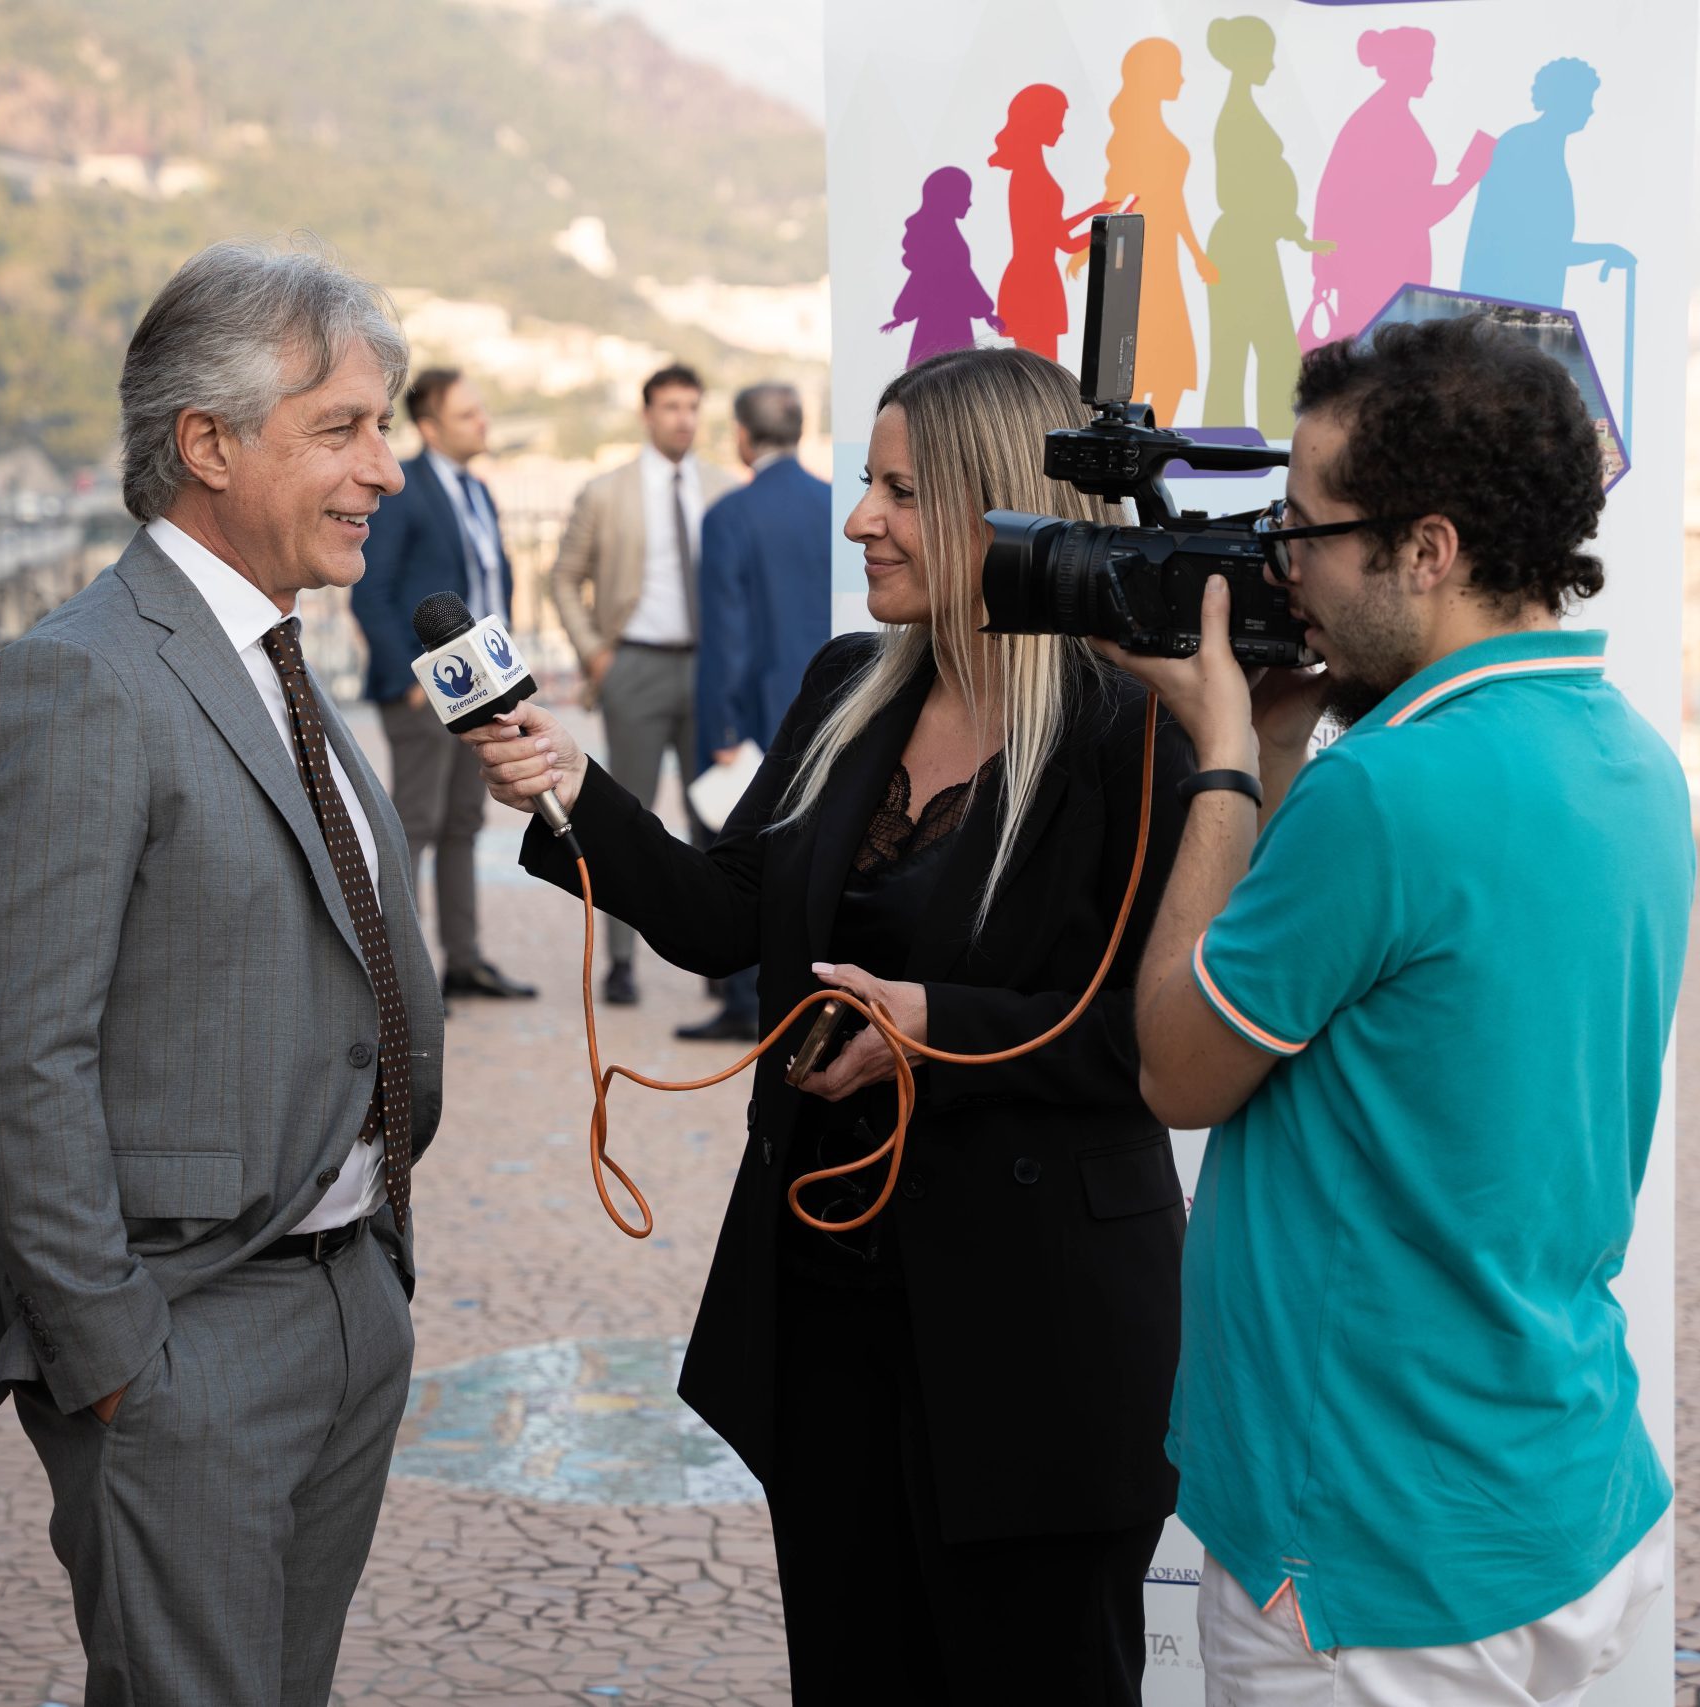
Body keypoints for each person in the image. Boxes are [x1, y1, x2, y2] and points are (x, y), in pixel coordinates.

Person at [467, 347, 1195, 1703]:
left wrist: (934, 1027)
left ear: (1005, 506)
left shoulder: (1137, 728)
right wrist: (570, 784)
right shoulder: (847, 684)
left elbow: (1160, 1041)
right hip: (827, 1313)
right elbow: (723, 914)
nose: (863, 519)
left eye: (904, 493)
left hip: (1037, 1347)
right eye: (871, 484)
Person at [1104, 314, 1688, 1704]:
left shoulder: (1387, 790)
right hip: (1547, 1474)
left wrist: (1224, 757)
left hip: (1370, 1544)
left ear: (1426, 550)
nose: (1276, 562)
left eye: (1303, 528)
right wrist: (1290, 735)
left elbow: (1177, 1066)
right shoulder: (1628, 752)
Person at [0, 240, 442, 1707]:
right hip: (187, 1337)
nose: (385, 467)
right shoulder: (79, 678)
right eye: (342, 427)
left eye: (383, 424)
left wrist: (374, 1274)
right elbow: (17, 1055)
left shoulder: (275, 654)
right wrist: (118, 1359)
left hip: (345, 1297)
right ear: (208, 444)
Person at [548, 364, 739, 1007]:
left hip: (709, 670)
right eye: (671, 407)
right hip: (634, 667)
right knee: (624, 814)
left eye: (692, 406)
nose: (684, 419)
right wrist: (595, 654)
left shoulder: (723, 487)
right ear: (648, 414)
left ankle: (721, 958)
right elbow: (563, 577)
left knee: (716, 813)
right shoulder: (608, 492)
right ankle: (622, 962)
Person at [352, 366, 537, 1002]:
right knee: (416, 823)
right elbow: (371, 590)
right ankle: (401, 976)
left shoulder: (478, 492)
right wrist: (410, 676)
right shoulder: (404, 491)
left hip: (481, 691)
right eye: (466, 415)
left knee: (463, 821)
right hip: (425, 692)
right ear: (429, 428)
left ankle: (464, 961)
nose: (483, 423)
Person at [675, 381, 832, 1044]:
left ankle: (744, 1001)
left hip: (757, 716)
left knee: (739, 859)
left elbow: (727, 635)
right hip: (834, 703)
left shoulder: (730, 515)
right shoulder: (836, 504)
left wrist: (721, 727)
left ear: (742, 435)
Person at [1304, 27, 1495, 347]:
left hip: (1380, 271)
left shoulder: (1378, 116)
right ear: (1406, 67)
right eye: (1425, 66)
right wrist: (1467, 178)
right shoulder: (1384, 122)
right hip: (1378, 274)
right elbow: (1407, 209)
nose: (1430, 77)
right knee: (1377, 359)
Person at [1203, 15, 1334, 439]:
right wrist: (1287, 224)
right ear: (1247, 58)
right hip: (1241, 247)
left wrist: (1296, 233)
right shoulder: (1237, 115)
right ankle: (1246, 444)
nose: (1273, 65)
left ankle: (1267, 441)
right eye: (1267, 56)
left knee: (1263, 354)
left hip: (1251, 245)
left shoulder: (1242, 110)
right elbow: (1237, 192)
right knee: (1248, 353)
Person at [1095, 37, 1219, 421]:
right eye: (1175, 70)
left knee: (1170, 362)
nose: (1182, 79)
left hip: (1163, 253)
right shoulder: (1132, 134)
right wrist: (1091, 247)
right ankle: (1136, 437)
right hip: (1139, 255)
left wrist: (1197, 255)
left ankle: (1152, 436)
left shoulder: (1153, 131)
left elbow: (1174, 203)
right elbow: (1119, 198)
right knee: (1144, 356)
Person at [1459, 57, 1634, 310]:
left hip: (1524, 306)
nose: (1590, 110)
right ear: (1564, 99)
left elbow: (1546, 247)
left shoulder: (1542, 146)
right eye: (1585, 99)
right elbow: (1537, 247)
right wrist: (1604, 251)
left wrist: (1604, 251)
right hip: (1508, 307)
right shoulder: (1525, 146)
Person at [989, 84, 1118, 362]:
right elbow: (1064, 243)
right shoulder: (1031, 175)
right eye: (1058, 120)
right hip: (1034, 284)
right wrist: (1106, 230)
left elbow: (1051, 230)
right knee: (1040, 374)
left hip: (1032, 279)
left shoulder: (1029, 170)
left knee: (1038, 373)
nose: (1061, 129)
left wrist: (1093, 212)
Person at [882, 166, 999, 367]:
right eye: (965, 196)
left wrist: (901, 314)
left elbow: (961, 277)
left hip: (947, 323)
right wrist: (986, 311)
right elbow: (961, 277)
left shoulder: (944, 232)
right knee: (947, 377)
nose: (969, 203)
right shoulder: (942, 238)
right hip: (949, 326)